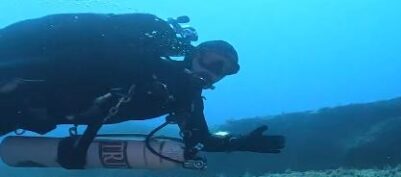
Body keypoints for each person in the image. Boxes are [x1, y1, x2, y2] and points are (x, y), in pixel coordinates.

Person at [0, 13, 285, 168]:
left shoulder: (187, 99)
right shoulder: (141, 62)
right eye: (208, 60)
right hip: (16, 95)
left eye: (221, 70)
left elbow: (202, 140)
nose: (208, 72)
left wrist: (238, 142)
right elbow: (69, 60)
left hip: (28, 117)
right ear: (192, 54)